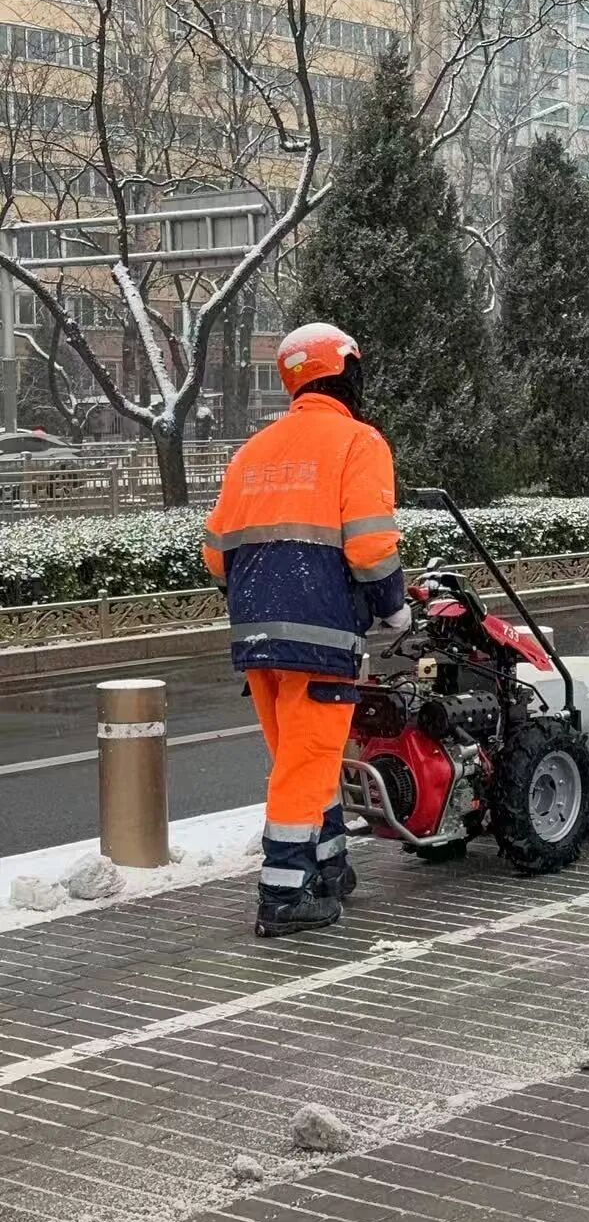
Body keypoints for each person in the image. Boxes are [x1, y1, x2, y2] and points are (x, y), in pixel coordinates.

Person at [203, 322, 409, 938]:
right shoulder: (357, 442)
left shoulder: (253, 451)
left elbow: (216, 553)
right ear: (346, 373)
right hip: (320, 633)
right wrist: (394, 607)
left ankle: (327, 864)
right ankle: (285, 893)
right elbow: (371, 545)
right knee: (306, 763)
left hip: (256, 635)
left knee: (301, 759)